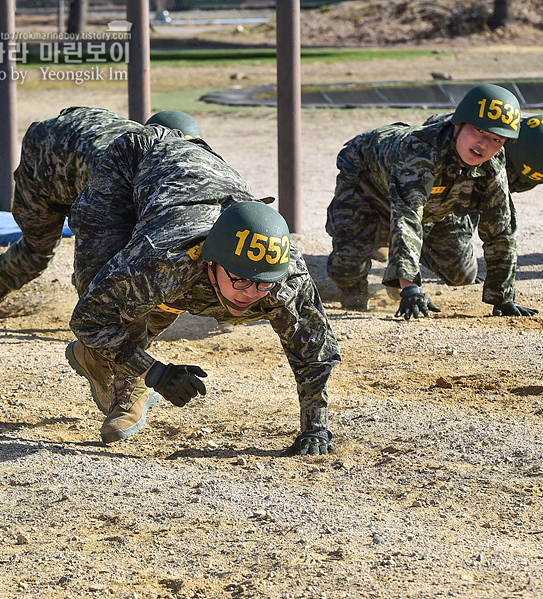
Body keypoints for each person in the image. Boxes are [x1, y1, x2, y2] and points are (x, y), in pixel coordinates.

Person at [65, 131, 340, 455]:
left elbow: (312, 349)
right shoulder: (167, 259)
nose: (250, 293)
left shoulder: (284, 278)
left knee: (158, 295)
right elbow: (89, 318)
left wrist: (316, 428)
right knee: (101, 281)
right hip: (134, 165)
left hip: (207, 178)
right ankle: (115, 376)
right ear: (211, 264)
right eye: (239, 279)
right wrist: (154, 372)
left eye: (262, 283)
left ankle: (114, 363)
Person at [0, 107, 203, 325]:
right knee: (38, 249)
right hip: (43, 163)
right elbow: (94, 256)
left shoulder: (164, 163)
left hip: (78, 151)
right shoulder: (118, 172)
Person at [325, 83, 538, 319]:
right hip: (365, 178)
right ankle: (365, 274)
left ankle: (397, 264)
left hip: (430, 206)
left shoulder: (493, 162)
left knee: (461, 274)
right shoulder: (419, 151)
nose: (484, 145)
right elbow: (407, 216)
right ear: (458, 124)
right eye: (478, 131)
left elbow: (501, 229)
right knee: (348, 270)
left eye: (497, 139)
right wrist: (411, 288)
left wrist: (503, 296)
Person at [422, 111, 543, 280]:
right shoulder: (486, 145)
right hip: (447, 147)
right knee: (452, 244)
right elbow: (462, 204)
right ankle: (414, 251)